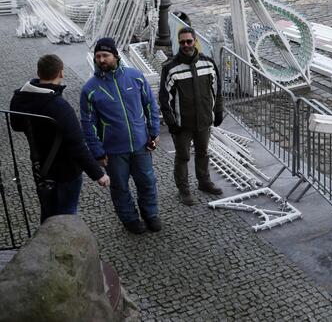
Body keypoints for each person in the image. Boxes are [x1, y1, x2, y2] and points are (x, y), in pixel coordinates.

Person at [10, 55, 110, 223]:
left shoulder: (19, 99)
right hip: (66, 170)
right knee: (66, 215)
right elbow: (77, 145)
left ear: (38, 72)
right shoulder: (59, 107)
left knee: (48, 213)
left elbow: (16, 125)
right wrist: (98, 174)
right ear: (61, 73)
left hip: (40, 167)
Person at [80, 38, 162, 234]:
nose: (101, 59)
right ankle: (129, 218)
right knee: (120, 188)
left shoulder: (135, 77)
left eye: (105, 55)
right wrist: (98, 152)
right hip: (114, 151)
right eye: (98, 56)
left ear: (115, 56)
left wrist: (154, 132)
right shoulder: (90, 89)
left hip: (141, 145)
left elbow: (151, 105)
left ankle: (151, 214)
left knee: (148, 182)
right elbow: (88, 124)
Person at [159, 27, 225, 206]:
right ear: (178, 43)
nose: (186, 45)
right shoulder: (171, 68)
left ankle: (204, 182)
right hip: (181, 124)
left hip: (204, 120)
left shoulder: (208, 63)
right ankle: (184, 189)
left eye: (189, 41)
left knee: (203, 153)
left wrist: (218, 111)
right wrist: (171, 122)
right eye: (182, 42)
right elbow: (165, 98)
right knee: (183, 157)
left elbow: (217, 90)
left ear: (195, 41)